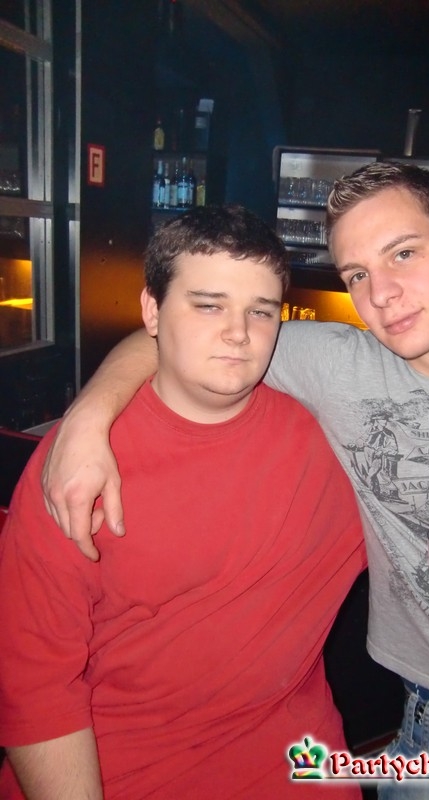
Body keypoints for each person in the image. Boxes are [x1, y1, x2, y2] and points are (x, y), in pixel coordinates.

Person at [41, 163, 429, 799]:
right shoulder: (340, 367)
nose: (381, 293)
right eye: (356, 274)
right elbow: (190, 332)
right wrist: (88, 416)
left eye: (404, 253)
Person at [0, 206, 368, 799]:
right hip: (115, 773)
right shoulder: (79, 466)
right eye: (208, 305)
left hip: (290, 767)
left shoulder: (336, 443)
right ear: (151, 310)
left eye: (261, 311)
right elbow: (35, 686)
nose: (238, 333)